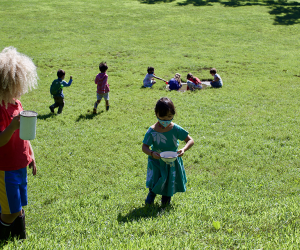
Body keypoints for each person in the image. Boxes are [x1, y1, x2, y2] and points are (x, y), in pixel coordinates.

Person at [0, 47, 38, 241]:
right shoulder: (0, 108)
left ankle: (19, 237)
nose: (20, 89)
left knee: (19, 204)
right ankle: (3, 236)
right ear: (6, 83)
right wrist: (13, 126)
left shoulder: (17, 103)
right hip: (5, 168)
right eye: (17, 84)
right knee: (10, 210)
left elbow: (24, 134)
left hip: (20, 163)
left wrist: (30, 155)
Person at [142, 97, 194, 206]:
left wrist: (183, 149)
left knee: (169, 182)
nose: (166, 120)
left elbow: (190, 140)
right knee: (155, 182)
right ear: (156, 114)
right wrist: (151, 153)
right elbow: (144, 147)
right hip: (156, 162)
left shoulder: (176, 129)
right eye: (162, 117)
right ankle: (149, 200)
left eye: (169, 117)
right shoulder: (152, 131)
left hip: (172, 162)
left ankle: (165, 204)